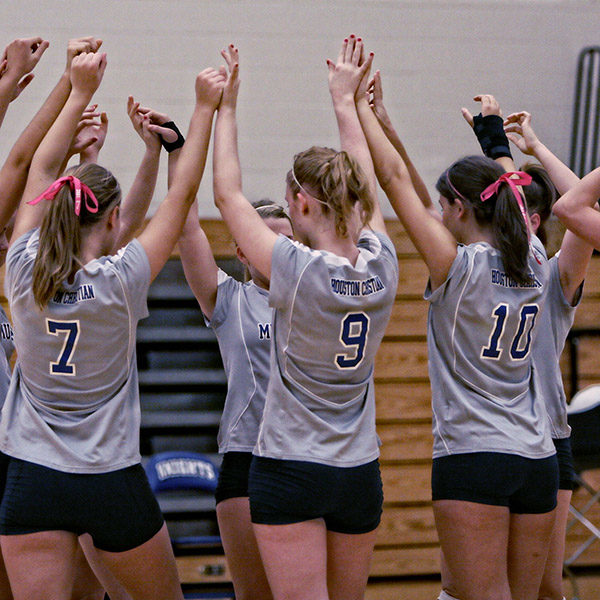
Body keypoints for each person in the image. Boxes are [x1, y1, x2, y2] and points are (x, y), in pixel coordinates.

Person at [0, 48, 225, 600]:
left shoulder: (21, 266)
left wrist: (76, 91)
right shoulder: (120, 281)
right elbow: (180, 199)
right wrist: (199, 114)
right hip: (109, 477)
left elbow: (41, 169)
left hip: (31, 479)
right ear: (112, 220)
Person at [357, 69, 559, 598]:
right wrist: (491, 138)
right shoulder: (535, 255)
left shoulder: (457, 266)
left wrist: (356, 108)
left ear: (459, 210)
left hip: (475, 457)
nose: (435, 213)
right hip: (537, 459)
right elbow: (508, 181)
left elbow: (395, 183)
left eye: (443, 206)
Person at [211, 39, 398, 600]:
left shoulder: (293, 266)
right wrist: (345, 102)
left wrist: (227, 107)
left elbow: (226, 195)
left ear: (302, 205)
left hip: (290, 467)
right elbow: (368, 189)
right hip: (358, 471)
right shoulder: (383, 264)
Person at [178, 193, 292, 600]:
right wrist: (176, 153)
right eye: (268, 239)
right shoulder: (230, 299)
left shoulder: (316, 295)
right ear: (243, 251)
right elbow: (187, 226)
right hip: (248, 457)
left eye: (289, 242)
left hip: (308, 456)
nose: (280, 251)